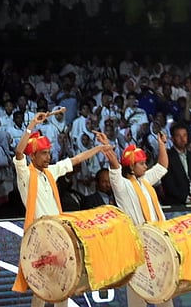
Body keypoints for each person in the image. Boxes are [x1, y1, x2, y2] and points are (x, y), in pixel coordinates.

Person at [10, 112, 112, 307]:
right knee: (42, 285)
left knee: (62, 282)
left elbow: (75, 160)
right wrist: (32, 124)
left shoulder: (50, 172)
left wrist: (98, 149)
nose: (49, 157)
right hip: (39, 235)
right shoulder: (25, 174)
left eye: (49, 152)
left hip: (57, 233)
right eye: (44, 153)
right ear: (33, 156)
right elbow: (18, 152)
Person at [96, 132, 170, 307]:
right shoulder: (121, 185)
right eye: (142, 163)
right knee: (138, 290)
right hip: (136, 244)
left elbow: (162, 166)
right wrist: (107, 145)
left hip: (156, 241)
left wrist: (161, 145)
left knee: (164, 289)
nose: (145, 167)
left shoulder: (144, 181)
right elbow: (114, 165)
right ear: (130, 166)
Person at [161, 121, 191, 205]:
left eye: (184, 135)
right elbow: (168, 183)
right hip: (175, 204)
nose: (183, 139)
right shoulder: (167, 157)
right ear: (172, 138)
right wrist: (185, 198)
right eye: (178, 136)